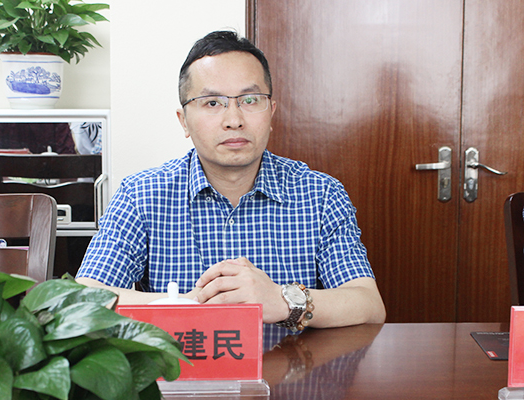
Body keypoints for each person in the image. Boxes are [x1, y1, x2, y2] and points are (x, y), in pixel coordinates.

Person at [76, 31, 386, 330]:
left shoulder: (321, 194)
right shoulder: (140, 195)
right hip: (183, 364)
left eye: (250, 100)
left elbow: (369, 305)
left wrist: (283, 301)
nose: (234, 120)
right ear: (184, 121)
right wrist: (190, 304)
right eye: (212, 103)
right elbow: (82, 299)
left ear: (271, 112)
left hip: (293, 365)